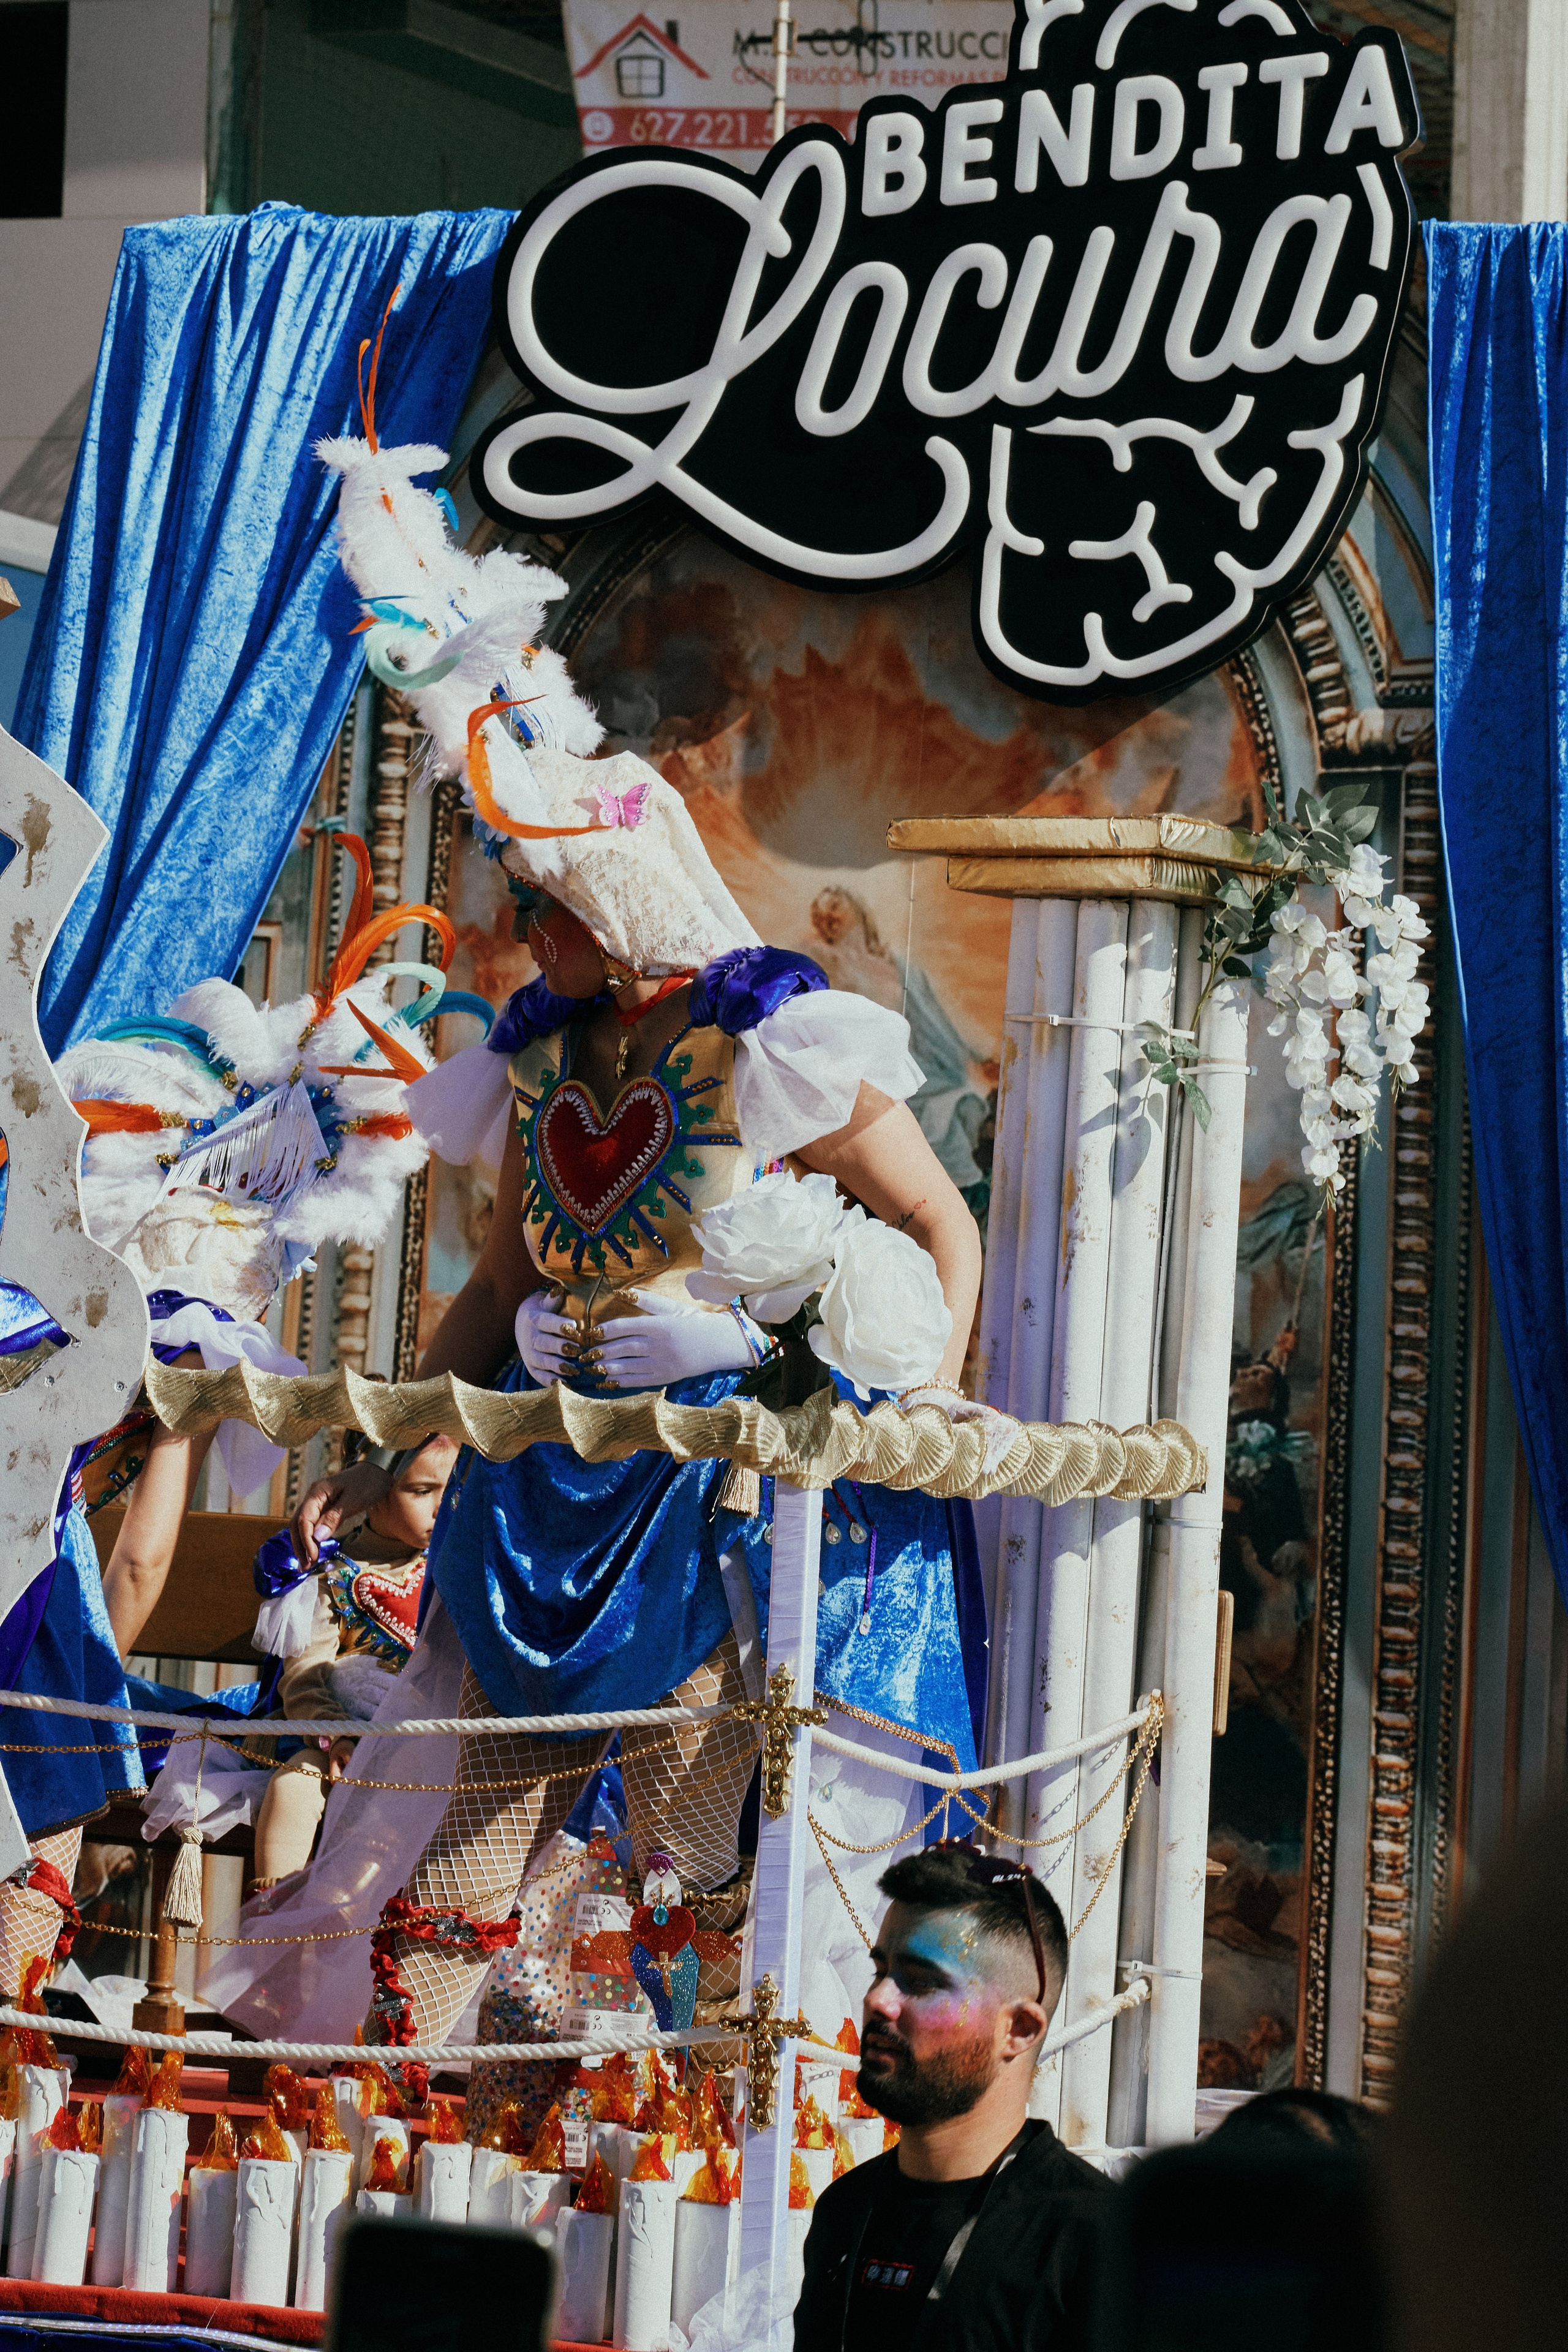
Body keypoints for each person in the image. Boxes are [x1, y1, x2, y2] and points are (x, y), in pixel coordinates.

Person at [281, 413, 1006, 2064]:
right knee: (466, 1853)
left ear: (611, 909)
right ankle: (411, 2127)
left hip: (700, 1497)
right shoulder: (536, 1066)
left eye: (537, 893)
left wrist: (904, 1377)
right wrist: (398, 1423)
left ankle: (677, 2153)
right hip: (541, 1492)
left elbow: (932, 1220)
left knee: (681, 1861)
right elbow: (496, 1285)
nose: (517, 916)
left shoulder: (770, 1042)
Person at [0, 834, 462, 1997]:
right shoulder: (163, 1368)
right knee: (52, 1793)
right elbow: (144, 1563)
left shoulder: (33, 1311)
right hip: (27, 1591)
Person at [795, 1842, 1109, 2351]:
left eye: (919, 1982)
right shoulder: (845, 2210)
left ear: (1020, 2029)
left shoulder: (1091, 2241)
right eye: (880, 1971)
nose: (877, 1999)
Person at [247, 1434, 459, 1891]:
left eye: (451, 1489)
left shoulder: (453, 1570)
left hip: (424, 1743)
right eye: (422, 1492)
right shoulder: (331, 1575)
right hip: (341, 1740)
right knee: (296, 1782)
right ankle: (272, 1918)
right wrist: (336, 1736)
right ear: (371, 1491)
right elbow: (304, 1679)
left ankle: (351, 1913)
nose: (441, 1507)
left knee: (401, 1788)